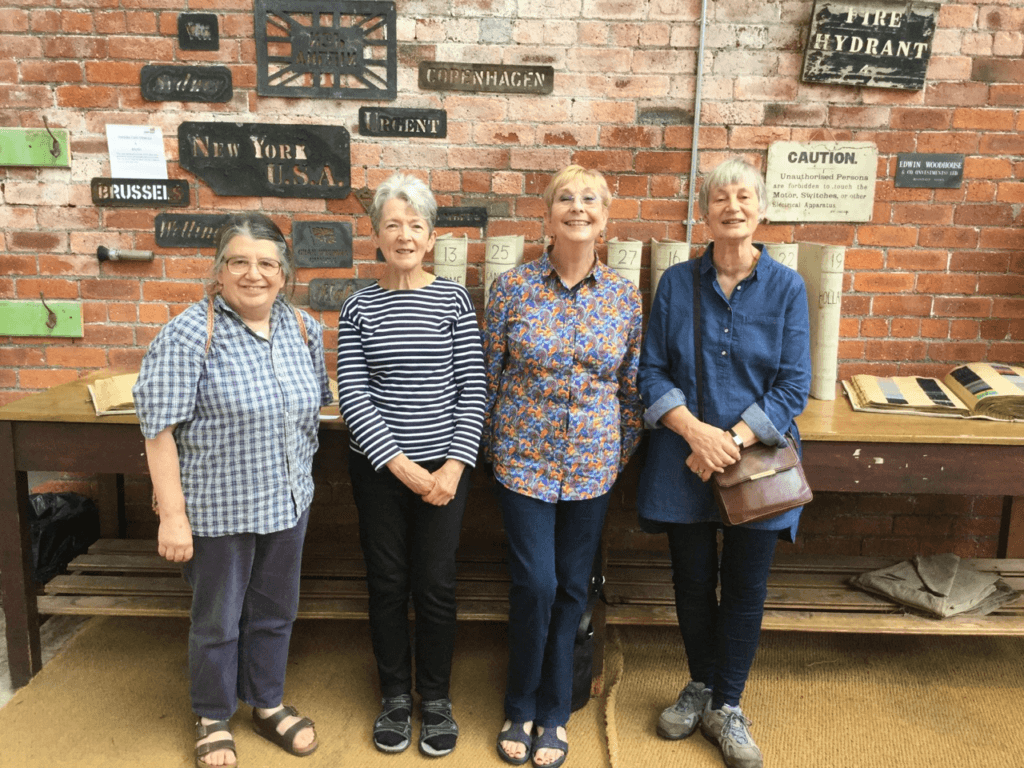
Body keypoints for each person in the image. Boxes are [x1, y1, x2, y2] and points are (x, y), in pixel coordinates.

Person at [133, 213, 332, 767]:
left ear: (284, 273)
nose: (253, 274)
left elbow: (312, 407)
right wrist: (172, 515)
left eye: (266, 262)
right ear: (218, 271)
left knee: (275, 611)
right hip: (217, 512)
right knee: (218, 621)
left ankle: (266, 703)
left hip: (287, 503)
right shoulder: (189, 334)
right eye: (238, 261)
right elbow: (158, 430)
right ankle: (212, 714)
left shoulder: (302, 329)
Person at [636, 157, 812, 768]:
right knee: (690, 580)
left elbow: (793, 385)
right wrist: (694, 432)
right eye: (720, 198)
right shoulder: (676, 284)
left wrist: (729, 440)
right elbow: (650, 371)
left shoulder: (788, 288)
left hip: (756, 464)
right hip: (683, 458)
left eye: (744, 197)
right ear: (703, 212)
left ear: (761, 209)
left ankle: (728, 704)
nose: (732, 207)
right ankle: (702, 684)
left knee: (744, 585)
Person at [484, 165, 643, 768]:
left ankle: (555, 712)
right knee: (537, 585)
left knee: (575, 587)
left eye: (590, 200)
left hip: (592, 469)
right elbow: (488, 375)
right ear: (546, 216)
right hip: (522, 464)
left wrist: (614, 454)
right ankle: (519, 704)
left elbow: (631, 389)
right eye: (566, 199)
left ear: (605, 218)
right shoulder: (512, 288)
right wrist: (494, 450)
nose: (578, 207)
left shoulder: (624, 297)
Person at [336, 173, 487, 757]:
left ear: (431, 238)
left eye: (415, 226)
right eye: (392, 225)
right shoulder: (358, 306)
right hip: (380, 472)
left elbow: (473, 389)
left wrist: (452, 467)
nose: (404, 235)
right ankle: (396, 697)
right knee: (387, 583)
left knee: (436, 584)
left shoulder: (453, 301)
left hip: (445, 472)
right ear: (376, 236)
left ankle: (437, 699)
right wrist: (399, 464)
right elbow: (353, 394)